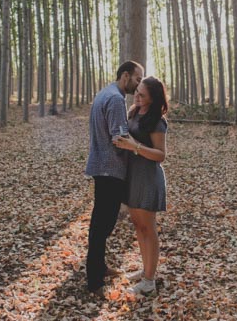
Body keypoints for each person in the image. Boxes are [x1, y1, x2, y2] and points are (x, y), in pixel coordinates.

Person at [84, 60, 144, 294]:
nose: (138, 86)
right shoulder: (117, 99)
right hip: (110, 169)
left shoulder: (104, 93)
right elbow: (119, 139)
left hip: (101, 166)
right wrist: (140, 147)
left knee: (101, 221)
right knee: (102, 224)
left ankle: (99, 268)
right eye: (137, 80)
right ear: (126, 76)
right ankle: (94, 281)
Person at [113, 76, 168, 296]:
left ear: (153, 98)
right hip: (131, 176)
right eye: (137, 91)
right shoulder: (134, 112)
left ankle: (149, 280)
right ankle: (145, 270)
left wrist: (134, 146)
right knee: (138, 225)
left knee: (148, 227)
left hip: (148, 177)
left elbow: (160, 155)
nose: (136, 96)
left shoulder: (157, 121)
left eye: (142, 94)